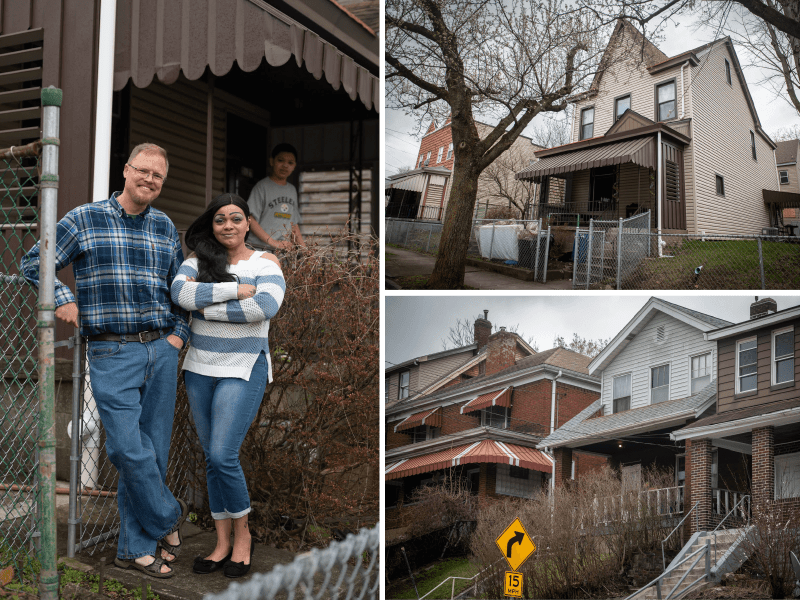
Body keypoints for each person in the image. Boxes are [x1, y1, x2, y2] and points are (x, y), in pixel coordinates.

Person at [20, 143, 189, 578]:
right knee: (127, 449)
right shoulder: (84, 219)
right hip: (113, 350)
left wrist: (177, 336)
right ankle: (168, 518)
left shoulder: (166, 226)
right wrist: (62, 297)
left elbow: (180, 288)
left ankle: (134, 548)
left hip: (161, 348)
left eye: (159, 176)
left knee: (153, 450)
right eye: (144, 171)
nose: (150, 180)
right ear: (127, 170)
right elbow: (34, 259)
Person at [171, 193, 285, 578]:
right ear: (212, 225)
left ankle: (243, 537)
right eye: (220, 220)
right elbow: (180, 294)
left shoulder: (265, 261)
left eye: (236, 218)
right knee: (210, 457)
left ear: (248, 223)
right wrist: (233, 291)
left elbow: (264, 308)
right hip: (199, 367)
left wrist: (204, 308)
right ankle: (221, 543)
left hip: (244, 366)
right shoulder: (197, 261)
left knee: (223, 455)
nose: (228, 226)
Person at [246, 143, 306, 250]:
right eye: (280, 160)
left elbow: (293, 225)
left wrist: (305, 250)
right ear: (271, 161)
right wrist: (273, 242)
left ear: (294, 166)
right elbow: (251, 219)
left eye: (290, 162)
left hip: (281, 252)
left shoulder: (292, 190)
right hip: (259, 249)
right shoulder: (262, 187)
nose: (285, 165)